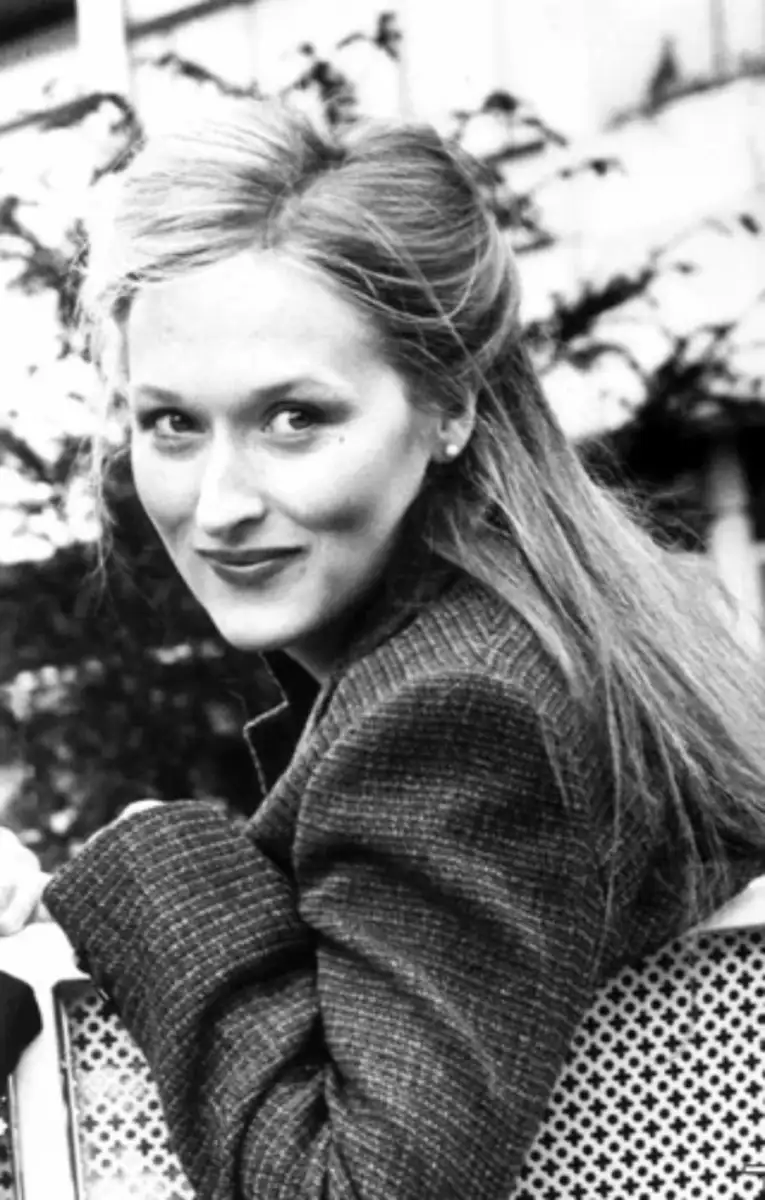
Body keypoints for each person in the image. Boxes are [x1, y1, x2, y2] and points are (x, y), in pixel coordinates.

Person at [1, 97, 765, 1200]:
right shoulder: (548, 624)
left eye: (295, 418)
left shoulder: (459, 709)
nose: (219, 505)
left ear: (448, 405)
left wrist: (158, 861)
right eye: (171, 423)